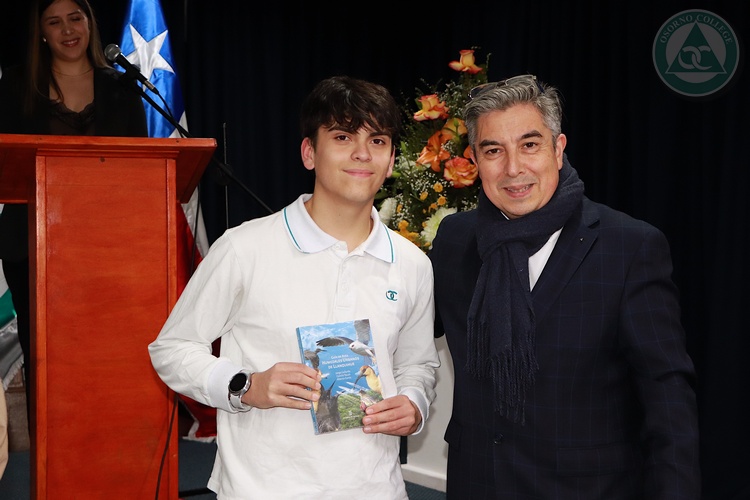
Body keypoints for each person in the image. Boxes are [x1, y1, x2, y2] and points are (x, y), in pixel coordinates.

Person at [148, 75, 439, 499]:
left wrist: (414, 403)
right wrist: (246, 385)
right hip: (263, 488)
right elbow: (171, 349)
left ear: (392, 160)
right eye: (343, 137)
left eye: (377, 141)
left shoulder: (412, 264)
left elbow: (419, 365)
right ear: (309, 152)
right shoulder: (244, 248)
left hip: (375, 487)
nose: (362, 153)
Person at [429, 75, 700, 499]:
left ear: (558, 150)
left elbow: (667, 397)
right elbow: (405, 327)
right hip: (478, 482)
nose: (513, 168)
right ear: (476, 160)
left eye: (529, 145)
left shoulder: (629, 247)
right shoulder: (455, 239)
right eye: (494, 150)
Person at [0, 0, 147, 421]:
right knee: (43, 354)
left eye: (75, 19)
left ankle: (103, 440)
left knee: (102, 351)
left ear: (90, 25)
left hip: (104, 245)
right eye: (54, 21)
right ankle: (48, 453)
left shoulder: (121, 87)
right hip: (32, 243)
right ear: (42, 33)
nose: (67, 30)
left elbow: (139, 167)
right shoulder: (15, 87)